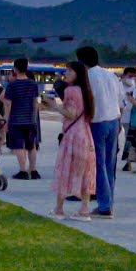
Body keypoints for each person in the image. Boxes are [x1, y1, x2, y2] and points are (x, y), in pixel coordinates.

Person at [77, 46, 123, 217]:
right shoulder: (110, 75)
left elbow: (86, 102)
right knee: (110, 166)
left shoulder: (87, 77)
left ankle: (104, 206)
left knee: (99, 165)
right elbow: (121, 101)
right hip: (113, 121)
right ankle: (109, 201)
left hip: (97, 123)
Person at [51, 61, 97, 220]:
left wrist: (54, 106)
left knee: (65, 169)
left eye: (70, 71)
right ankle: (84, 210)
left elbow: (70, 113)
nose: (66, 73)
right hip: (85, 134)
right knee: (85, 172)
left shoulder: (70, 91)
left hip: (72, 136)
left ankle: (59, 209)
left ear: (77, 74)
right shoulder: (87, 91)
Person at [1, 58, 41, 180]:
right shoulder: (33, 84)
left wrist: (6, 121)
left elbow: (8, 105)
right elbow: (35, 102)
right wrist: (33, 117)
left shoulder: (12, 85)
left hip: (16, 120)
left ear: (15, 69)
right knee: (31, 146)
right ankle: (33, 170)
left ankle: (23, 171)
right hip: (30, 120)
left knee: (19, 146)